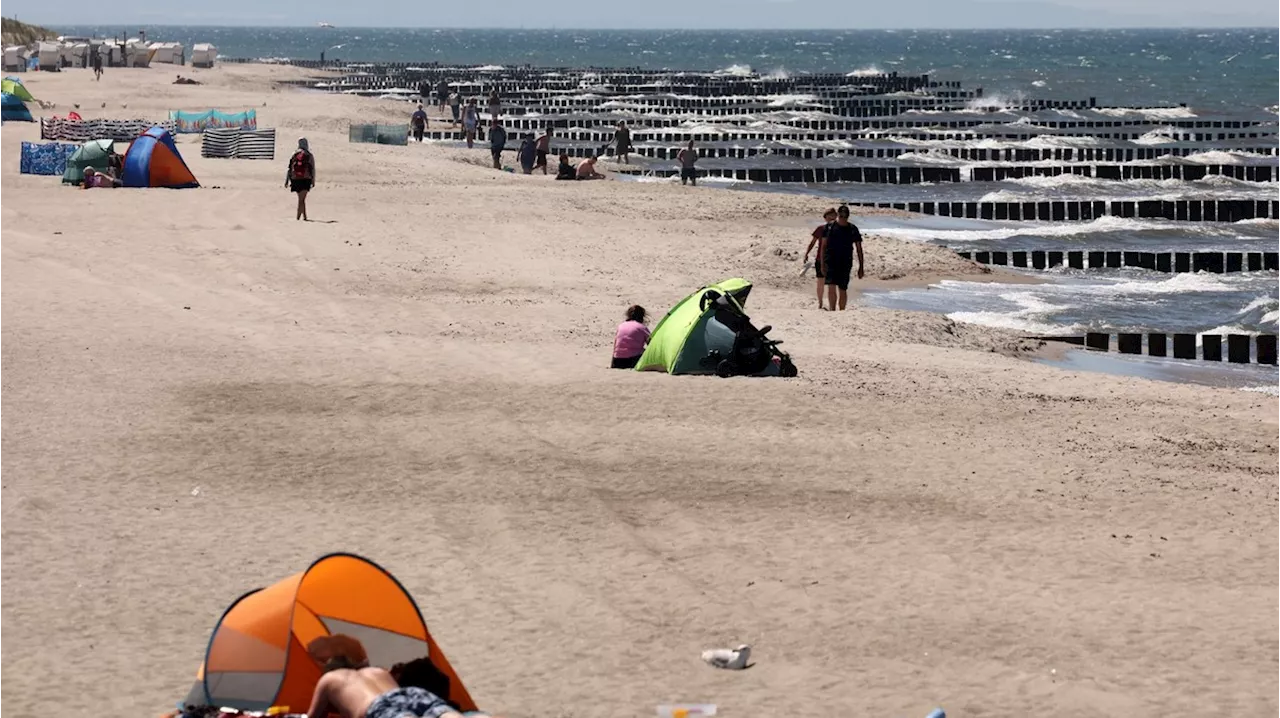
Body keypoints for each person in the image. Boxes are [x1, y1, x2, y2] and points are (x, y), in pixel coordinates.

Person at [304, 635, 494, 718]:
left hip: (377, 707)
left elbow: (312, 717)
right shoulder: (376, 671)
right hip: (411, 693)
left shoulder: (329, 680)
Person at [823, 205, 865, 311]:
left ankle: (842, 311)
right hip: (831, 260)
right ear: (838, 215)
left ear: (848, 216)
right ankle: (832, 309)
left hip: (845, 261)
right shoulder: (829, 227)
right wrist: (822, 263)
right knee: (831, 286)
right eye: (841, 216)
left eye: (844, 216)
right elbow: (823, 246)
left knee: (842, 288)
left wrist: (861, 267)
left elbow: (859, 249)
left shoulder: (852, 229)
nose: (842, 218)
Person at [804, 208, 837, 310]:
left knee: (831, 284)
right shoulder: (821, 229)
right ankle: (820, 303)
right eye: (829, 216)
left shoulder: (839, 229)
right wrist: (807, 253)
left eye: (833, 215)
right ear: (825, 218)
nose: (832, 218)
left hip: (833, 259)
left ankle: (830, 305)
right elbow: (813, 242)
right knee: (821, 282)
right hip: (821, 258)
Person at [286, 138, 315, 221]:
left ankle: (304, 217)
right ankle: (298, 218)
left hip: (295, 179)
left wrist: (287, 180)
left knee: (301, 199)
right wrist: (313, 180)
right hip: (306, 178)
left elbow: (289, 167)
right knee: (301, 199)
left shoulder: (295, 154)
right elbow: (312, 169)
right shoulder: (309, 155)